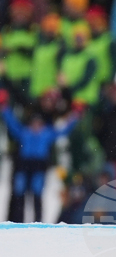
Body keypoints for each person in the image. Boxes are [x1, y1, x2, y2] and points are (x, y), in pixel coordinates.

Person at [1, 93, 80, 222]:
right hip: (23, 165)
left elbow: (64, 130)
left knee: (37, 194)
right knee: (20, 193)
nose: (36, 126)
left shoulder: (47, 133)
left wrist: (75, 116)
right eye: (34, 122)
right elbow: (11, 123)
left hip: (39, 166)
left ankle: (38, 221)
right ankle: (18, 221)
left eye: (39, 123)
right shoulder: (25, 132)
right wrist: (4, 107)